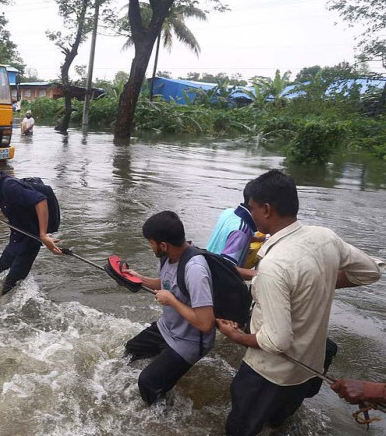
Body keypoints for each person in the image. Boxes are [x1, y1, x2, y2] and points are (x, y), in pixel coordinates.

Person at [215, 170, 382, 436]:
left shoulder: (274, 265)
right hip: (308, 369)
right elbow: (370, 271)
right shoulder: (324, 236)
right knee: (278, 423)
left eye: (253, 208)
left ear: (267, 209)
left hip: (268, 374)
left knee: (241, 429)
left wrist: (234, 335)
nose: (251, 214)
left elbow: (277, 341)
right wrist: (322, 280)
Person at [123, 211, 215, 405]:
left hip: (190, 341)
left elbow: (206, 324)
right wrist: (138, 278)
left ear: (163, 245)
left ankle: (162, 415)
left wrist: (172, 301)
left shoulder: (195, 270)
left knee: (147, 382)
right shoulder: (168, 256)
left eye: (151, 242)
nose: (150, 247)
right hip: (168, 328)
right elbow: (165, 283)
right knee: (131, 350)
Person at [0, 154, 62, 294]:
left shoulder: (9, 187)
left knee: (10, 287)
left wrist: (43, 235)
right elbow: (8, 199)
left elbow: (40, 200)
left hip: (29, 241)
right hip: (16, 238)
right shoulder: (0, 183)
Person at [206, 181, 258, 279]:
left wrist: (260, 239)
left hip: (206, 268)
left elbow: (230, 237)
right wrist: (261, 274)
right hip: (217, 280)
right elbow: (226, 268)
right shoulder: (242, 231)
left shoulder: (228, 212)